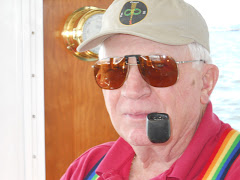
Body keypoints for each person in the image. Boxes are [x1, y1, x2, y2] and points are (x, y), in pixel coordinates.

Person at [61, 0, 240, 179]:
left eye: (158, 67)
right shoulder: (86, 168)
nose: (132, 90)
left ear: (205, 82)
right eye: (113, 69)